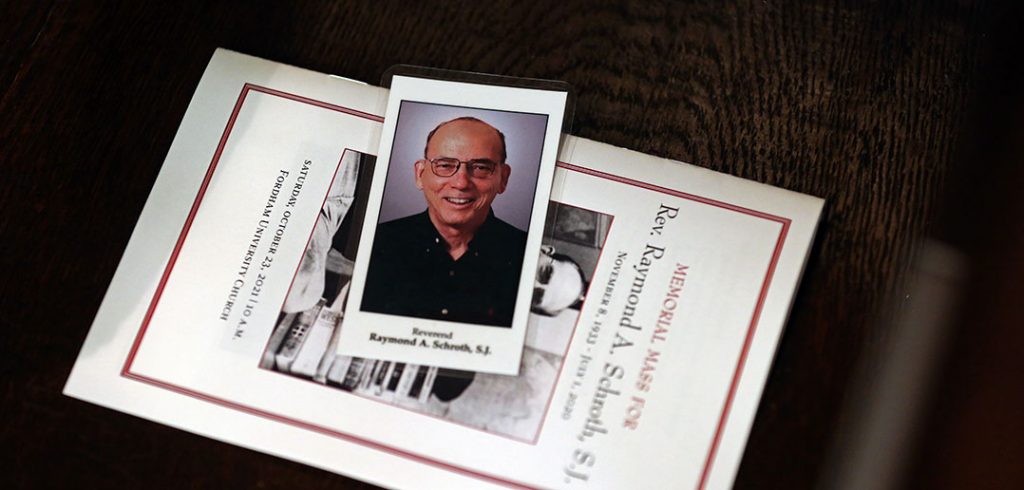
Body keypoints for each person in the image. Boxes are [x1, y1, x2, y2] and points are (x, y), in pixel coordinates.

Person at [361, 117, 527, 327]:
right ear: (420, 174)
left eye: (480, 168)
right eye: (445, 165)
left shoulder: (529, 256)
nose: (461, 183)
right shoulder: (375, 242)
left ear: (503, 178)